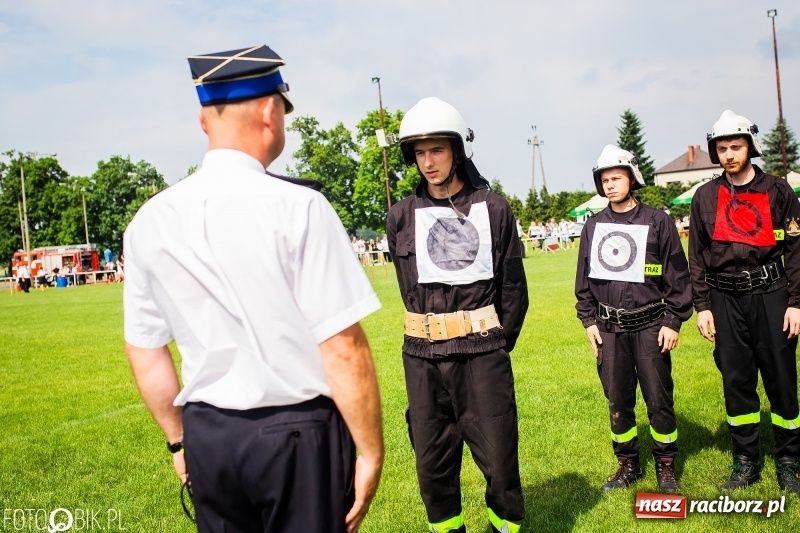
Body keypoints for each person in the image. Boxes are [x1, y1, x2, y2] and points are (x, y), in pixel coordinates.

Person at [123, 45, 385, 533]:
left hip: (209, 434)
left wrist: (180, 442)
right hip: (297, 434)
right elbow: (343, 348)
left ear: (205, 120)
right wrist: (370, 451)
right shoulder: (299, 207)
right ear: (269, 111)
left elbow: (145, 350)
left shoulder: (149, 221)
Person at [386, 97, 528, 533]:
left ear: (456, 151)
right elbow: (407, 286)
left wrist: (493, 342)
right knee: (432, 471)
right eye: (420, 153)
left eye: (438, 150)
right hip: (423, 359)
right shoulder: (400, 217)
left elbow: (513, 289)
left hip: (482, 353)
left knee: (500, 466)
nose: (428, 162)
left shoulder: (494, 209)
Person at [689, 110, 800, 494]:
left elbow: (797, 248)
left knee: (782, 379)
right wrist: (702, 306)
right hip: (723, 299)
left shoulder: (778, 191)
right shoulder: (704, 196)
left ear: (750, 146)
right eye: (722, 148)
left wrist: (797, 302)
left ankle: (789, 461)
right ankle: (746, 461)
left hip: (772, 296)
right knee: (736, 380)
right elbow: (697, 256)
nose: (729, 154)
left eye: (736, 146)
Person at [575, 145, 692, 494]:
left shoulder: (657, 221)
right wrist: (588, 321)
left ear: (631, 178)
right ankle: (628, 464)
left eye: (616, 178)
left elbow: (677, 276)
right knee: (618, 400)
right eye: (604, 180)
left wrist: (672, 321)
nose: (610, 185)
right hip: (609, 329)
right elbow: (584, 281)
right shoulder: (593, 226)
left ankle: (666, 465)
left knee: (658, 398)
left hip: (651, 326)